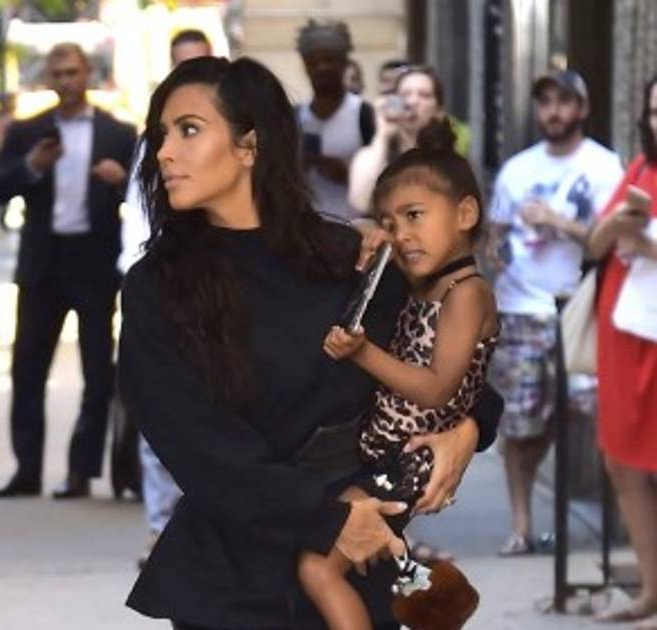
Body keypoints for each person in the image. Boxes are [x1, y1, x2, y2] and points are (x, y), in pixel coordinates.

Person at [118, 56, 502, 629]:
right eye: (161, 135)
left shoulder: (349, 259)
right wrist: (328, 519)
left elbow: (446, 367)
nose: (164, 152)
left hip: (355, 572)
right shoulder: (157, 288)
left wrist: (467, 430)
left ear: (249, 146)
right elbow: (197, 447)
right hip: (234, 587)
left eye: (189, 130)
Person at [302, 120, 499, 630]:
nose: (402, 234)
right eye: (390, 222)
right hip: (383, 451)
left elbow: (437, 389)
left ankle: (428, 593)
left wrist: (362, 353)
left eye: (415, 216)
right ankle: (430, 594)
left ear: (465, 214)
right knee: (359, 563)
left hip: (406, 458)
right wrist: (368, 237)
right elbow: (363, 235)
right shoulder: (426, 281)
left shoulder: (466, 293)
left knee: (319, 567)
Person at [0, 43, 137, 500]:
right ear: (48, 79)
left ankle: (79, 472)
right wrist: (32, 165)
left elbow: (147, 195)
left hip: (94, 263)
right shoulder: (28, 131)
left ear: (88, 74)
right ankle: (26, 470)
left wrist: (121, 179)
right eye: (58, 73)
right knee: (28, 371)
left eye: (73, 72)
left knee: (97, 374)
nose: (66, 80)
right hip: (43, 264)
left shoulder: (118, 133)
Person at [484, 69, 623, 557]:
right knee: (521, 427)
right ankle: (521, 528)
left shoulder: (604, 166)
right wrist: (496, 252)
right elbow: (496, 234)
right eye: (545, 102)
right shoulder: (517, 169)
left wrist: (557, 221)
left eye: (564, 101)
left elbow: (613, 239)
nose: (553, 111)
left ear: (582, 108)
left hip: (580, 309)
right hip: (520, 311)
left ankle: (619, 530)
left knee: (600, 415)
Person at [119, 27, 212, 569]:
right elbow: (139, 216)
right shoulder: (154, 143)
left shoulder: (236, 137)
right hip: (166, 287)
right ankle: (161, 529)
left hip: (221, 289)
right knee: (158, 415)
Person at [583, 75, 657, 625]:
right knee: (621, 462)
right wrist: (615, 223)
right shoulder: (638, 169)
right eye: (654, 112)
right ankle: (652, 589)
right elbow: (593, 245)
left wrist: (648, 244)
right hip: (623, 331)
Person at [349, 65, 470, 214]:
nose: (412, 102)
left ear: (438, 110)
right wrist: (383, 134)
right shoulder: (372, 155)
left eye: (424, 95)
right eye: (405, 95)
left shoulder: (452, 161)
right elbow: (360, 203)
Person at [295, 19, 376, 220]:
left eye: (328, 60)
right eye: (314, 62)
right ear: (305, 66)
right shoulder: (295, 118)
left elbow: (383, 180)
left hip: (354, 228)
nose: (321, 67)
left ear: (343, 64)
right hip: (305, 228)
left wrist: (347, 176)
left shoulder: (363, 114)